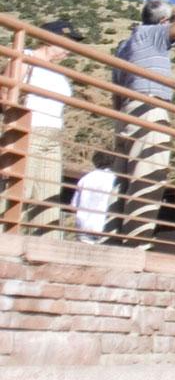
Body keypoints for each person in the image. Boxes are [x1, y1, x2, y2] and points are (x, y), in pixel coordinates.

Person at [113, 0, 175, 248]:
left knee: (124, 179)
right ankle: (136, 245)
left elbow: (116, 92)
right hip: (150, 108)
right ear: (164, 21)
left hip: (126, 113)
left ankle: (116, 240)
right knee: (148, 175)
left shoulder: (125, 45)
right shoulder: (153, 34)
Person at [20, 20, 77, 231]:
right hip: (30, 129)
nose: (69, 51)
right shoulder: (27, 56)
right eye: (66, 44)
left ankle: (41, 254)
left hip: (53, 137)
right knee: (19, 190)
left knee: (49, 197)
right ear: (48, 39)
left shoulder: (59, 72)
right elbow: (6, 91)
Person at [72, 149, 119, 243]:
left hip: (83, 229)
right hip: (104, 229)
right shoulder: (114, 178)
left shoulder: (86, 178)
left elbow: (73, 206)